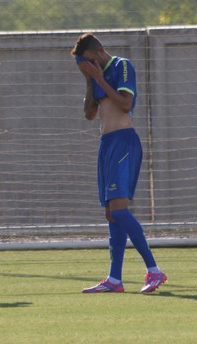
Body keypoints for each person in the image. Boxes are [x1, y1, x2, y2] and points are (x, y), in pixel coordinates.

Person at [71, 33, 167, 294]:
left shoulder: (121, 66)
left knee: (120, 210)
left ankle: (154, 271)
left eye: (89, 62)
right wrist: (91, 81)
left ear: (99, 51)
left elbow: (126, 104)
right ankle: (114, 279)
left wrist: (100, 77)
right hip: (106, 145)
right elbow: (90, 114)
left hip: (124, 142)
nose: (87, 67)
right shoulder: (95, 77)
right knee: (111, 213)